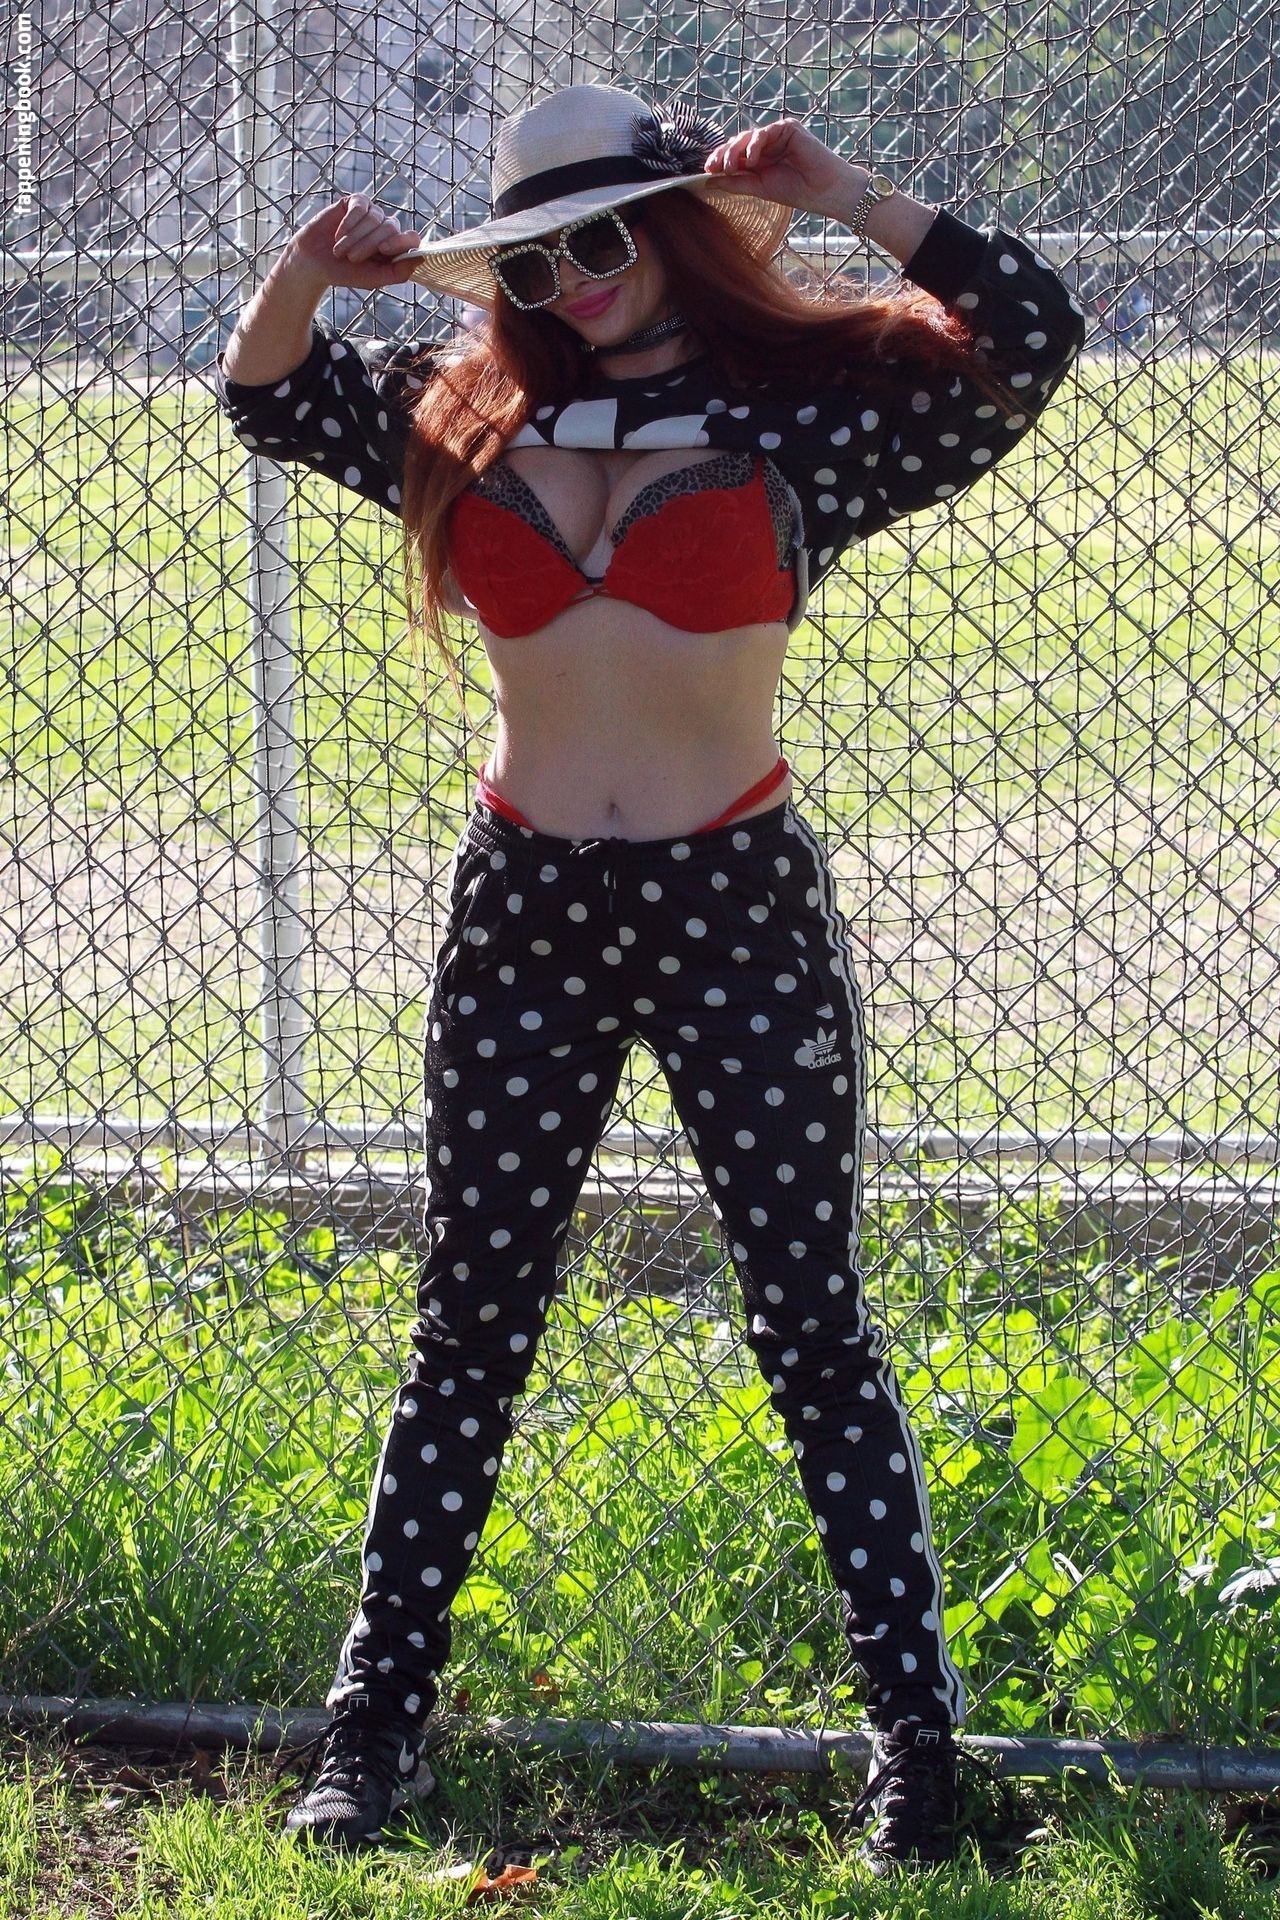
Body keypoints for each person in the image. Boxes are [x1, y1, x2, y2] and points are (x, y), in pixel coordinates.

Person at [215, 81, 1086, 1872]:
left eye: (605, 237)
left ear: (674, 226)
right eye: (534, 259)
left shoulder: (801, 418)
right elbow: (265, 394)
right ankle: (371, 1733)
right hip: (526, 904)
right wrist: (311, 275)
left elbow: (1029, 330)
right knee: (471, 1321)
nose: (575, 279)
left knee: (810, 1322)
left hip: (734, 903)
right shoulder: (464, 413)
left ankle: (914, 1747)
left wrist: (844, 189)